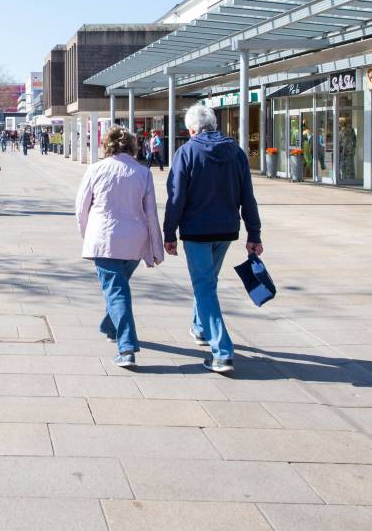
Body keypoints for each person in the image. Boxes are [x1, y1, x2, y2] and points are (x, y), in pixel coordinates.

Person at [163, 104, 262, 375]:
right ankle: (200, 328)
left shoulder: (186, 153)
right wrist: (254, 233)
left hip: (196, 231)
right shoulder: (237, 154)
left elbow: (175, 197)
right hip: (226, 230)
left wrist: (169, 233)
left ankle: (221, 352)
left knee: (204, 285)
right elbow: (247, 197)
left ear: (192, 129)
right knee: (208, 282)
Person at [76, 126, 165, 369]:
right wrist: (156, 248)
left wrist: (87, 235)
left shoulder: (95, 169)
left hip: (104, 240)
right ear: (133, 147)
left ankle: (126, 347)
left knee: (116, 291)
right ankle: (109, 324)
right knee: (118, 287)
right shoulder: (142, 173)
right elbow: (151, 214)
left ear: (108, 145)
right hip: (134, 241)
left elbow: (81, 208)